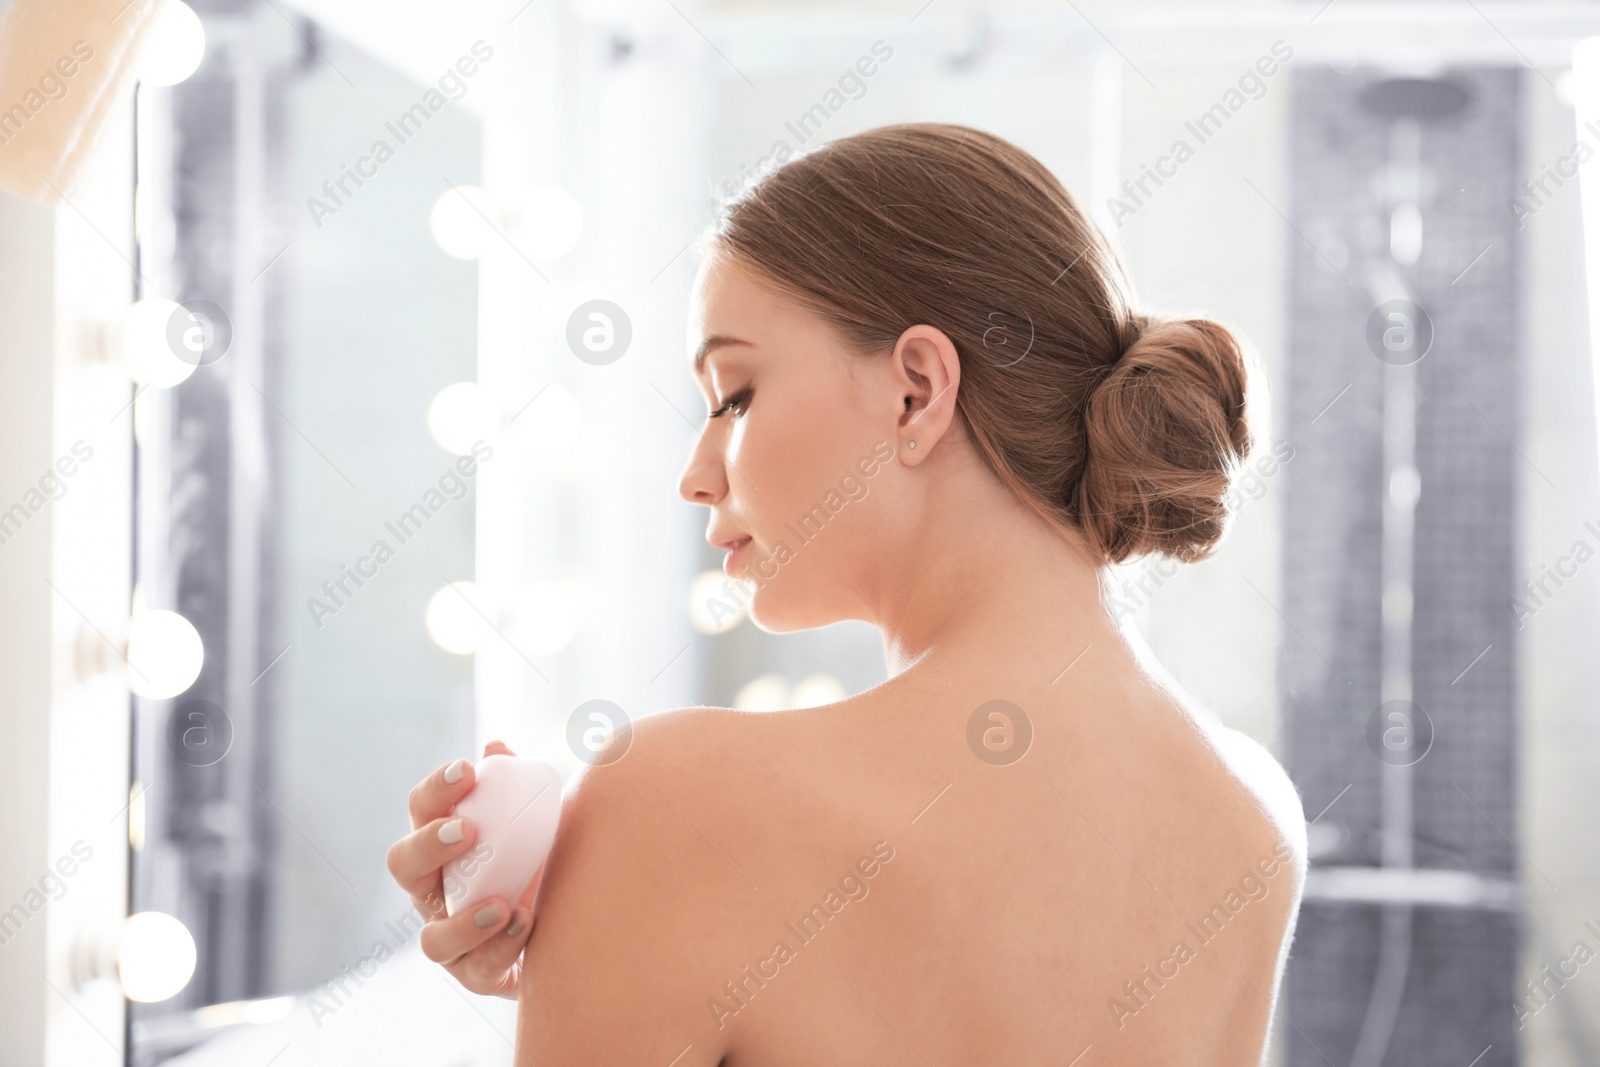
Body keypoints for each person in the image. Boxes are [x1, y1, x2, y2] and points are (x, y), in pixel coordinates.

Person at [387, 122, 1307, 1065]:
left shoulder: (678, 804)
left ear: (916, 391)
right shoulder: (1255, 821)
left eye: (734, 393)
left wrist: (605, 928)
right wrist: (598, 942)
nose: (696, 476)